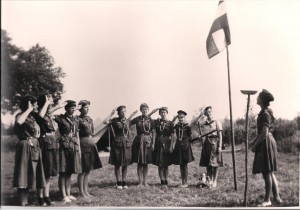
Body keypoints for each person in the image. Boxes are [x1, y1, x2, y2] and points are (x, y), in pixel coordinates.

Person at [13, 94, 49, 206]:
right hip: (25, 145)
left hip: (35, 146)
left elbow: (42, 115)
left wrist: (47, 104)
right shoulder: (21, 115)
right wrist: (28, 109)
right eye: (35, 104)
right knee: (24, 174)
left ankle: (27, 201)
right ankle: (24, 203)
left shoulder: (34, 117)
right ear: (29, 104)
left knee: (32, 173)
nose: (37, 106)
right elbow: (19, 122)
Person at [249, 89, 283, 207]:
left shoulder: (264, 114)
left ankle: (267, 200)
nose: (256, 98)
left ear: (262, 100)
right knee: (270, 172)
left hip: (266, 142)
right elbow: (262, 133)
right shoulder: (265, 112)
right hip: (267, 141)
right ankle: (277, 198)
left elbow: (264, 133)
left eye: (258, 97)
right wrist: (253, 142)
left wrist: (255, 145)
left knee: (266, 172)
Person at [53, 100, 82, 203]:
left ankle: (69, 194)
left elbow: (77, 134)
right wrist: (58, 106)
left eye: (74, 108)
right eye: (71, 108)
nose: (73, 109)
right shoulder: (60, 118)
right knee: (63, 171)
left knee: (69, 171)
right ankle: (63, 195)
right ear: (66, 108)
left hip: (73, 145)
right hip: (64, 146)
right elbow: (49, 114)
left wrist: (78, 147)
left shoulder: (75, 119)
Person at [104, 106, 137, 189]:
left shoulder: (128, 121)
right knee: (117, 163)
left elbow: (132, 130)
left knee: (125, 163)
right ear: (118, 113)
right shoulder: (115, 120)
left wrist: (132, 115)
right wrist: (111, 113)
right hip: (117, 142)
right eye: (122, 111)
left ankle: (124, 181)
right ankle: (118, 182)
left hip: (126, 143)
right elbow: (105, 122)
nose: (124, 113)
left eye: (125, 111)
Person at [36, 94, 61, 206]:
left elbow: (49, 111)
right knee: (44, 172)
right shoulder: (39, 114)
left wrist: (59, 106)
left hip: (52, 143)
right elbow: (41, 114)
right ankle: (40, 197)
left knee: (49, 173)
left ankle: (46, 196)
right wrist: (46, 102)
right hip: (45, 144)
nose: (51, 102)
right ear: (44, 102)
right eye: (48, 100)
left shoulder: (48, 114)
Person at [191, 106, 223, 188]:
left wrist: (219, 146)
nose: (209, 113)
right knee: (208, 164)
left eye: (210, 111)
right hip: (207, 143)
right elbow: (193, 123)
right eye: (207, 112)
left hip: (215, 142)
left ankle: (215, 181)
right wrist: (199, 115)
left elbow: (220, 135)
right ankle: (210, 180)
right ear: (205, 113)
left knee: (215, 164)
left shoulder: (216, 121)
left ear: (212, 112)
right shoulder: (204, 122)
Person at [77, 100, 102, 197]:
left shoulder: (89, 119)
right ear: (80, 108)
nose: (87, 109)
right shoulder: (77, 119)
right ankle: (81, 192)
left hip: (90, 144)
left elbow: (92, 132)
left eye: (88, 108)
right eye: (85, 107)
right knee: (83, 170)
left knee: (88, 169)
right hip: (82, 144)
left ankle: (86, 191)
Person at [130, 103, 156, 187]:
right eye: (143, 109)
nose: (144, 111)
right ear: (140, 110)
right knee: (139, 162)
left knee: (146, 163)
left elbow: (153, 132)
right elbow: (127, 123)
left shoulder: (151, 120)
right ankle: (140, 182)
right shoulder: (137, 119)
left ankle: (145, 181)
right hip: (139, 141)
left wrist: (153, 143)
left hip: (148, 141)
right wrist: (131, 115)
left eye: (146, 109)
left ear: (148, 110)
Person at [151, 107, 175, 187]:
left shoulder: (170, 123)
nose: (163, 114)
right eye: (161, 112)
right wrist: (153, 143)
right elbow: (154, 133)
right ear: (159, 114)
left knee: (166, 163)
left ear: (167, 113)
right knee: (160, 163)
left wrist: (171, 146)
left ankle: (166, 179)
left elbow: (172, 135)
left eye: (164, 112)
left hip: (167, 143)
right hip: (158, 143)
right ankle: (161, 180)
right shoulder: (156, 122)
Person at [172, 110, 195, 188]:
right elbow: (170, 126)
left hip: (185, 146)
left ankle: (186, 183)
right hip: (179, 145)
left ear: (184, 117)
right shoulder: (177, 126)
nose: (180, 119)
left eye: (182, 117)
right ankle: (182, 182)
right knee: (181, 164)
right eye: (179, 117)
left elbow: (190, 137)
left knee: (185, 164)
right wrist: (174, 119)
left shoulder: (187, 126)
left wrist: (187, 142)